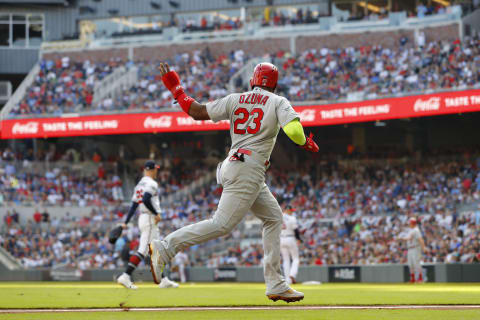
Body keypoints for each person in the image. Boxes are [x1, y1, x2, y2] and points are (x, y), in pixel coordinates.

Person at [149, 62, 319, 302]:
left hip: (235, 164)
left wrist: (176, 88)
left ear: (253, 81)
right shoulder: (279, 102)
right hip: (249, 168)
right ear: (275, 84)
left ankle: (276, 283)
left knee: (273, 218)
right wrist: (304, 142)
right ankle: (165, 248)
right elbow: (293, 131)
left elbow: (196, 112)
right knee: (222, 224)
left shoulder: (235, 99)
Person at [117, 160, 178, 289]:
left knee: (156, 250)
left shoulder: (139, 184)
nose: (157, 171)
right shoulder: (151, 183)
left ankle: (163, 280)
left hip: (143, 217)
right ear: (150, 169)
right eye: (155, 169)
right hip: (149, 218)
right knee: (144, 250)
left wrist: (125, 222)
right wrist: (156, 213)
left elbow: (134, 205)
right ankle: (125, 276)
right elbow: (145, 199)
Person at [280, 206, 301, 284]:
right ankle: (292, 274)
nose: (292, 212)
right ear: (287, 210)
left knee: (286, 260)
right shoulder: (292, 218)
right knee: (296, 258)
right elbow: (296, 230)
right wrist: (299, 239)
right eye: (291, 210)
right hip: (291, 238)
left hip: (281, 239)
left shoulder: (279, 216)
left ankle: (287, 280)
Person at [403, 217, 427, 283]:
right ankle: (412, 279)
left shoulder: (416, 230)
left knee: (416, 263)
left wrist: (424, 247)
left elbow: (420, 239)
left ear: (413, 223)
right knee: (410, 264)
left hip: (415, 248)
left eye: (410, 223)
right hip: (410, 249)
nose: (409, 224)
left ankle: (420, 278)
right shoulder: (411, 230)